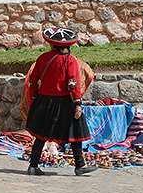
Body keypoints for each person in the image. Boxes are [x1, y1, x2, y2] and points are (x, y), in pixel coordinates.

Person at [26, 28, 98, 176]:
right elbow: (73, 82)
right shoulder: (69, 60)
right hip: (64, 100)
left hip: (43, 100)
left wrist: (34, 97)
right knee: (75, 131)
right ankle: (80, 165)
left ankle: (33, 165)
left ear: (51, 44)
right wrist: (77, 102)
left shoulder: (42, 58)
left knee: (41, 134)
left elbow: (32, 81)